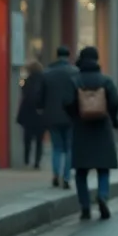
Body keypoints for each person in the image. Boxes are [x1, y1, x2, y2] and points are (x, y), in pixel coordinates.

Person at [64, 46, 118, 221]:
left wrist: (76, 115)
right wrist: (113, 118)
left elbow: (67, 102)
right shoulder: (105, 80)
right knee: (103, 168)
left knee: (81, 171)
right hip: (101, 128)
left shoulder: (74, 80)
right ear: (97, 60)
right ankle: (103, 196)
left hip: (81, 129)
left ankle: (85, 207)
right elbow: (116, 101)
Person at [41, 46, 79, 189]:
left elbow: (41, 95)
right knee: (69, 147)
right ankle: (67, 177)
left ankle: (55, 174)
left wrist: (41, 109)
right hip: (71, 116)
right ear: (69, 56)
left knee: (56, 147)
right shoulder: (75, 72)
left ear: (56, 56)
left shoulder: (47, 73)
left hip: (52, 115)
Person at [16, 61, 45, 168]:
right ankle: (37, 161)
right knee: (39, 140)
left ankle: (26, 160)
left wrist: (22, 77)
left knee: (27, 138)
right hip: (40, 113)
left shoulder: (26, 80)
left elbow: (21, 88)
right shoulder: (44, 80)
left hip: (27, 113)